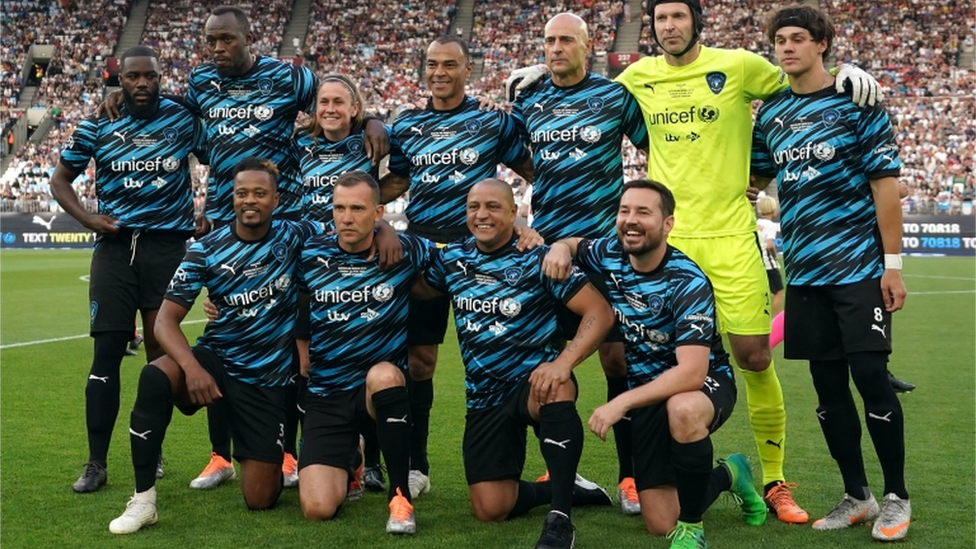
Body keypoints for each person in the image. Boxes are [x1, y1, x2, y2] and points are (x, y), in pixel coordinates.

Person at [504, 2, 885, 524]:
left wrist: (848, 72)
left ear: (694, 23)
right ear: (653, 27)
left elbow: (801, 71)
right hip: (665, 242)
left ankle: (773, 479)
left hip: (729, 236)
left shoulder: (739, 65)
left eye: (679, 17)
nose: (669, 27)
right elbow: (579, 84)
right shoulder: (636, 77)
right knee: (644, 360)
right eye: (661, 19)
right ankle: (646, 473)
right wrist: (537, 72)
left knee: (753, 357)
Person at [750, 5, 910, 542]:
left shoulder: (858, 102)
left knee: (869, 378)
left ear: (822, 44)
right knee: (827, 389)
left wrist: (893, 266)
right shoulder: (770, 115)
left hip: (859, 268)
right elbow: (755, 180)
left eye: (798, 38)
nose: (787, 47)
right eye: (780, 40)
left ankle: (896, 497)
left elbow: (886, 188)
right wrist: (764, 199)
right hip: (806, 275)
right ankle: (856, 495)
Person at [543, 179, 765, 549]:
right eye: (624, 211)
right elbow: (573, 244)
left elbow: (691, 373)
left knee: (683, 408)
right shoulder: (609, 252)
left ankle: (693, 529)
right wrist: (559, 249)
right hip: (648, 392)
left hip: (702, 384)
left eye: (643, 212)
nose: (631, 220)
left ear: (668, 224)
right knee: (660, 522)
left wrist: (622, 402)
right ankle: (730, 473)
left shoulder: (687, 280)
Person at [107, 157, 320, 534]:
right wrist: (193, 368)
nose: (249, 200)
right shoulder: (207, 248)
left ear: (276, 199)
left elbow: (352, 229)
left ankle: (251, 451)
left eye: (259, 193)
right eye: (241, 193)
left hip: (265, 379)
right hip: (217, 360)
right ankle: (143, 500)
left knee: (260, 499)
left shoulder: (296, 234)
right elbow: (163, 322)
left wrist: (385, 232)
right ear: (230, 197)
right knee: (155, 376)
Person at [413, 178, 615, 549]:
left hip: (531, 384)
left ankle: (560, 519)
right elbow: (418, 285)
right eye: (474, 206)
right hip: (484, 397)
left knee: (556, 387)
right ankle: (564, 486)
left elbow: (599, 312)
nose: (482, 214)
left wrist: (564, 362)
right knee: (491, 508)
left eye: (493, 206)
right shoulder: (453, 259)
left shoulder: (538, 258)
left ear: (514, 212)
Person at [380, 35, 535, 498]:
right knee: (418, 361)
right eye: (432, 64)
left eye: (450, 64)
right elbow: (398, 182)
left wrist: (531, 223)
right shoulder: (407, 124)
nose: (440, 72)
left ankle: (532, 462)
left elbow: (534, 171)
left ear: (469, 69)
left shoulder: (492, 120)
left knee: (505, 359)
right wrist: (366, 213)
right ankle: (415, 464)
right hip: (426, 255)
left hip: (482, 257)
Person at [509, 13, 650, 515]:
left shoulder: (614, 97)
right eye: (548, 40)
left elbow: (660, 152)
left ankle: (631, 476)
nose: (556, 47)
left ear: (588, 46)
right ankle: (558, 469)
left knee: (617, 360)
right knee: (542, 364)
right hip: (546, 254)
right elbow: (519, 158)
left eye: (566, 39)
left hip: (603, 250)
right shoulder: (529, 100)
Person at [49, 46, 206, 494]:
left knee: (160, 362)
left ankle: (150, 449)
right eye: (132, 77)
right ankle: (96, 463)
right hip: (115, 252)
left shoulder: (182, 118)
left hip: (167, 250)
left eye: (149, 77)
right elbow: (60, 179)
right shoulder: (99, 122)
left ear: (161, 78)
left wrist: (211, 209)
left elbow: (224, 160)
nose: (141, 84)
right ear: (119, 81)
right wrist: (87, 219)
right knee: (105, 358)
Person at [296, 171, 431, 534]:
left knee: (385, 374)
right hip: (326, 394)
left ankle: (400, 498)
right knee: (317, 508)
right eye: (340, 207)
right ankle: (350, 461)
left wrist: (523, 233)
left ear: (378, 212)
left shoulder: (407, 249)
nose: (347, 217)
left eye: (358, 208)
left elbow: (465, 259)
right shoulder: (311, 253)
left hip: (377, 392)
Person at [293, 73, 391, 491]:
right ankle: (322, 454)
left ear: (355, 107)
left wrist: (380, 223)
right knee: (306, 362)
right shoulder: (298, 144)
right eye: (323, 102)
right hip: (310, 266)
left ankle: (373, 461)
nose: (330, 108)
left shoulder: (368, 141)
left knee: (367, 358)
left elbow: (397, 177)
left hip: (359, 263)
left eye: (339, 102)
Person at [756, 196, 784, 317]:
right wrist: (775, 256)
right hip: (769, 263)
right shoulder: (771, 225)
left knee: (761, 292)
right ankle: (775, 320)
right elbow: (770, 245)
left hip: (757, 263)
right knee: (778, 292)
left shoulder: (756, 223)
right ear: (773, 209)